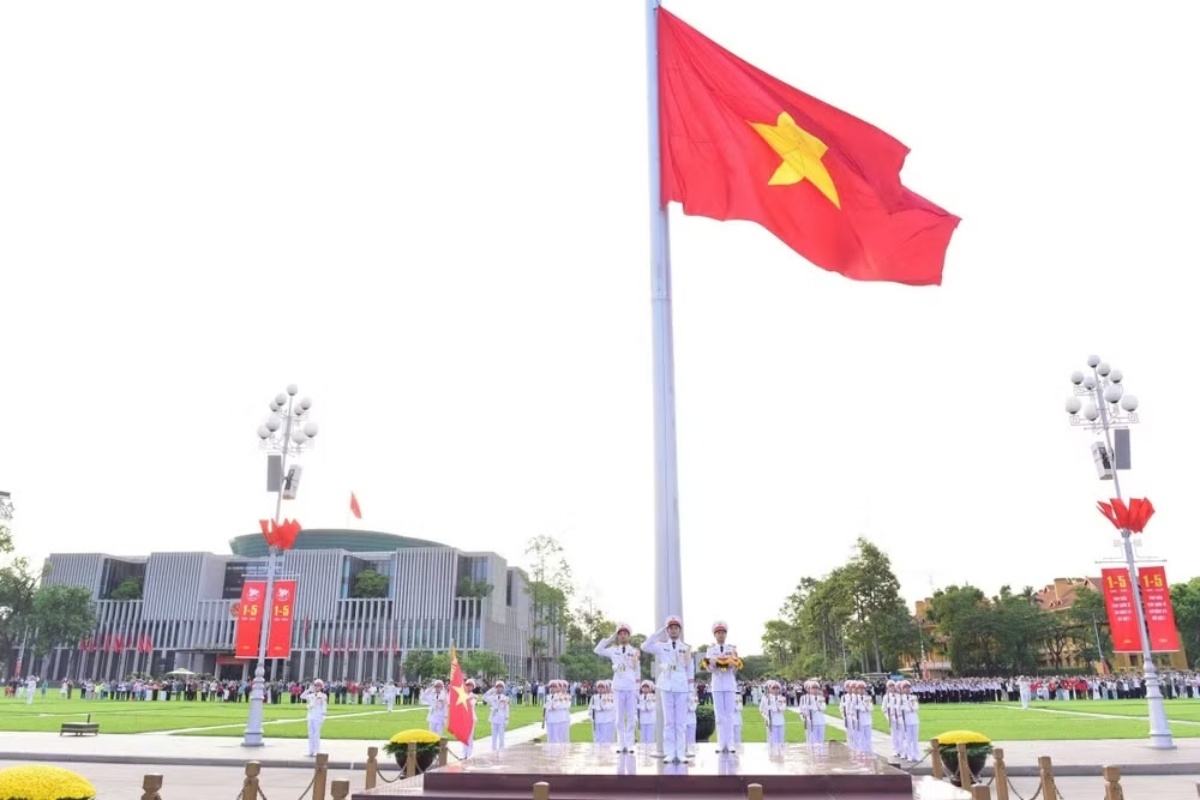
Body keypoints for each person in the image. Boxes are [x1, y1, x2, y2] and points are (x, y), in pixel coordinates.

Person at [640, 615, 695, 764]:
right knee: (669, 722)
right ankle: (670, 752)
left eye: (676, 628)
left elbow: (690, 670)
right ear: (667, 630)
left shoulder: (686, 648)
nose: (673, 630)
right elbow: (644, 646)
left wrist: (691, 690)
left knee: (681, 722)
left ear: (680, 630)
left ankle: (681, 752)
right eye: (670, 628)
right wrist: (658, 633)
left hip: (682, 685)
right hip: (666, 685)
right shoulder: (661, 645)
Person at [593, 622, 641, 753]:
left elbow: (637, 670)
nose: (623, 636)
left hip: (631, 686)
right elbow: (597, 650)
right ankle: (621, 743)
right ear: (617, 636)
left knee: (631, 716)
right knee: (619, 717)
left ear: (629, 636)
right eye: (620, 634)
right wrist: (610, 638)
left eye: (625, 634)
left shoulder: (634, 651)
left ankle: (630, 743)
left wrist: (637, 688)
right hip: (618, 686)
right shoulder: (613, 650)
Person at [701, 621, 740, 753]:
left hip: (729, 684)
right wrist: (713, 664)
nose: (721, 635)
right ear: (715, 635)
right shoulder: (710, 650)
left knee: (729, 715)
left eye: (723, 633)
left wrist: (731, 664)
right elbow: (708, 668)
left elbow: (736, 665)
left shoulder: (731, 648)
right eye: (718, 633)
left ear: (726, 634)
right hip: (717, 683)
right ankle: (720, 743)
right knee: (719, 715)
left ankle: (730, 743)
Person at [482, 680, 511, 751]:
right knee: (494, 736)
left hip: (501, 717)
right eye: (497, 687)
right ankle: (493, 750)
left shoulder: (505, 698)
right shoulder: (492, 697)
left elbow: (506, 708)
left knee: (501, 736)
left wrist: (507, 719)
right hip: (494, 717)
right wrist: (492, 690)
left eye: (501, 687)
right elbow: (484, 697)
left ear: (503, 689)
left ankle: (501, 749)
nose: (499, 688)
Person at [301, 679, 328, 757]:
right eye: (315, 685)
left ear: (321, 687)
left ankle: (317, 751)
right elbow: (302, 696)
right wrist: (309, 690)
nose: (316, 687)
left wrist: (323, 716)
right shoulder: (311, 695)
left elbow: (324, 706)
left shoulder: (323, 695)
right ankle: (311, 751)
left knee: (316, 734)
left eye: (318, 685)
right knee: (310, 733)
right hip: (311, 716)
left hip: (318, 716)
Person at [897, 680, 920, 761]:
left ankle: (917, 756)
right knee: (908, 739)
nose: (907, 689)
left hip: (914, 720)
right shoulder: (900, 699)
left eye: (908, 687)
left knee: (915, 739)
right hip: (906, 721)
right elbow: (899, 709)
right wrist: (908, 708)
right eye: (905, 687)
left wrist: (909, 707)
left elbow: (916, 707)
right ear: (902, 689)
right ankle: (910, 756)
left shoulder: (913, 697)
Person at [759, 680, 787, 746]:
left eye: (777, 688)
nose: (775, 690)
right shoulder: (765, 698)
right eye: (773, 688)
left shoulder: (782, 698)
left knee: (781, 740)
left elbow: (783, 708)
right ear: (769, 689)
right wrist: (766, 718)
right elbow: (761, 710)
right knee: (771, 740)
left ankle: (780, 754)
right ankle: (772, 755)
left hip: (780, 720)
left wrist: (776, 708)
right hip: (771, 721)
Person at [798, 679, 827, 744]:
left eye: (816, 688)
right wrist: (804, 720)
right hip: (810, 721)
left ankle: (820, 753)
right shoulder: (804, 698)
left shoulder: (820, 697)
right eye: (813, 688)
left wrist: (817, 704)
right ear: (808, 689)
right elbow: (801, 710)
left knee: (821, 740)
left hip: (820, 720)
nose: (815, 690)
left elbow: (823, 708)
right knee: (811, 740)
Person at [636, 680, 657, 746]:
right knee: (643, 738)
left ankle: (650, 751)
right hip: (643, 720)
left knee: (650, 738)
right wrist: (642, 707)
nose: (645, 688)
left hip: (651, 719)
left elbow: (652, 706)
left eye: (647, 687)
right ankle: (643, 752)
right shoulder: (640, 697)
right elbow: (636, 705)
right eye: (643, 687)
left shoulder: (654, 696)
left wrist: (645, 707)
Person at [461, 678, 479, 758]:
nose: (469, 687)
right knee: (464, 736)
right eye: (467, 685)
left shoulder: (474, 696)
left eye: (471, 686)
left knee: (470, 736)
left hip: (471, 717)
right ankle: (464, 753)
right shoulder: (462, 695)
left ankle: (469, 753)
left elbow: (471, 704)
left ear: (473, 687)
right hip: (463, 717)